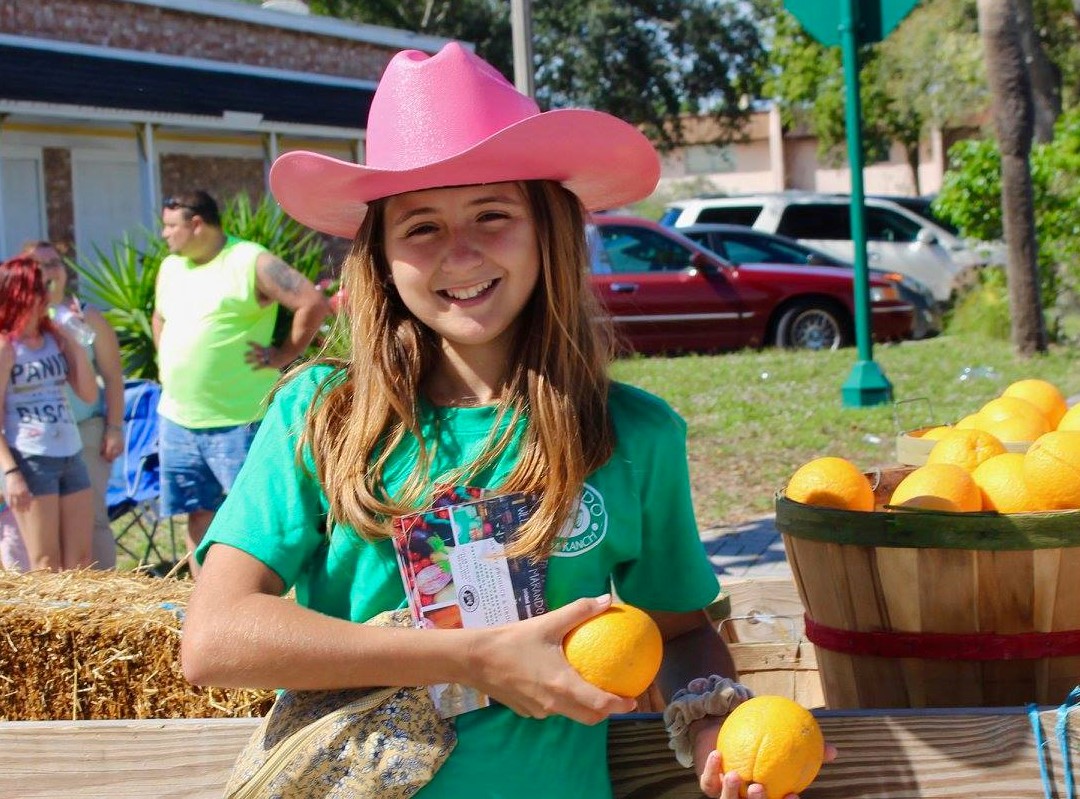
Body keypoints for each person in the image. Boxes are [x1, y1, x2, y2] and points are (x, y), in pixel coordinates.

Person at [180, 43, 834, 799]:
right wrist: (472, 655)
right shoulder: (321, 414)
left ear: (549, 231)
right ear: (382, 257)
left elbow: (681, 630)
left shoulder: (636, 434)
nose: (460, 252)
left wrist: (714, 719)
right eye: (421, 226)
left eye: (493, 215)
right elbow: (215, 638)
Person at [152, 190, 331, 577]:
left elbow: (311, 302)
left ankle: (260, 608)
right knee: (197, 515)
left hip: (239, 420)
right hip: (178, 418)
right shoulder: (171, 266)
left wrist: (282, 355)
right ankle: (206, 605)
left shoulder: (249, 260)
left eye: (170, 226)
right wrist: (166, 362)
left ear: (196, 223)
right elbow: (159, 316)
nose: (165, 234)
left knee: (258, 521)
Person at [22, 241, 125, 570]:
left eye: (53, 263)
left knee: (92, 519)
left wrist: (114, 427)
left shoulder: (85, 316)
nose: (47, 271)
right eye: (37, 265)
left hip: (86, 430)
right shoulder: (19, 323)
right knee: (45, 529)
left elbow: (112, 376)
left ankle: (102, 597)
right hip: (36, 439)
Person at [1, 255, 98, 571]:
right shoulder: (7, 346)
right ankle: (51, 622)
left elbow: (87, 392)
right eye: (41, 289)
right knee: (45, 561)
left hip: (70, 451)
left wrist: (74, 339)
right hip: (31, 456)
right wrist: (11, 473)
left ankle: (81, 619)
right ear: (21, 293)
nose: (47, 296)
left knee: (80, 560)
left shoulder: (53, 337)